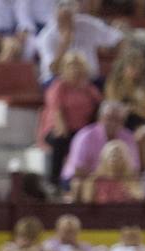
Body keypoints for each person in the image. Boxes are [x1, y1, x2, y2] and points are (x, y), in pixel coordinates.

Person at [38, 51, 102, 187]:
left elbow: (100, 107)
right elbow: (57, 111)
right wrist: (67, 132)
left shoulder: (89, 88)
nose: (74, 70)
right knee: (60, 140)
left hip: (82, 130)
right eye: (71, 66)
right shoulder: (59, 86)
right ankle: (53, 182)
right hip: (59, 128)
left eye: (77, 66)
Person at [35, 0, 121, 83]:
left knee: (113, 84)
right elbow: (53, 69)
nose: (66, 12)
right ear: (55, 12)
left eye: (70, 7)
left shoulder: (87, 24)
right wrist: (65, 41)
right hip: (58, 80)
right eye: (62, 8)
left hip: (89, 79)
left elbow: (118, 38)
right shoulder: (46, 36)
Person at [61, 100, 139, 185]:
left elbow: (134, 169)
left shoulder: (128, 137)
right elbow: (78, 171)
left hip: (115, 184)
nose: (113, 122)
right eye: (109, 118)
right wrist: (103, 179)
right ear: (100, 118)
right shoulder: (85, 137)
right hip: (80, 181)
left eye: (118, 119)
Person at [73, 139, 144, 203]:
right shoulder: (94, 181)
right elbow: (86, 204)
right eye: (113, 155)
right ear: (104, 157)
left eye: (120, 155)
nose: (115, 158)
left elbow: (139, 199)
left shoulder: (131, 180)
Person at [41, 214, 107, 251]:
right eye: (66, 231)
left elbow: (101, 250)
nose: (69, 235)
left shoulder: (84, 246)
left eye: (72, 231)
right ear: (57, 231)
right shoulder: (49, 244)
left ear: (78, 232)